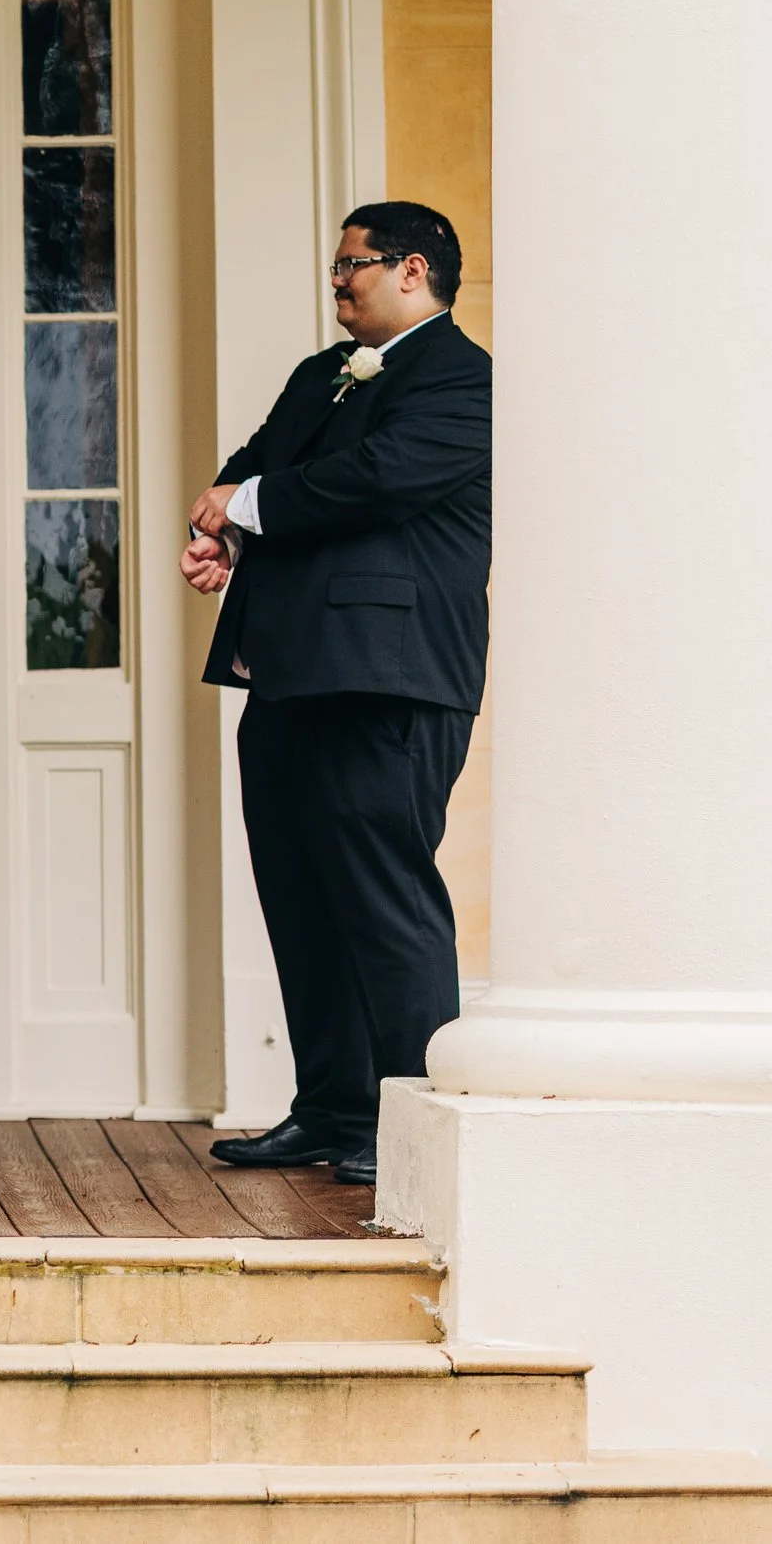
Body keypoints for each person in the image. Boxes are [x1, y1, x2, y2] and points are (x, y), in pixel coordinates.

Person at [180, 200, 492, 1188]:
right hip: (286, 672)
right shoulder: (321, 373)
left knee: (384, 897)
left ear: (411, 270)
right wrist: (220, 526)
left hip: (385, 679)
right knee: (299, 892)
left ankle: (406, 1119)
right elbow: (258, 461)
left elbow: (379, 479)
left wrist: (250, 505)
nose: (335, 281)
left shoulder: (462, 379)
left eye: (351, 265)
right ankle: (329, 1107)